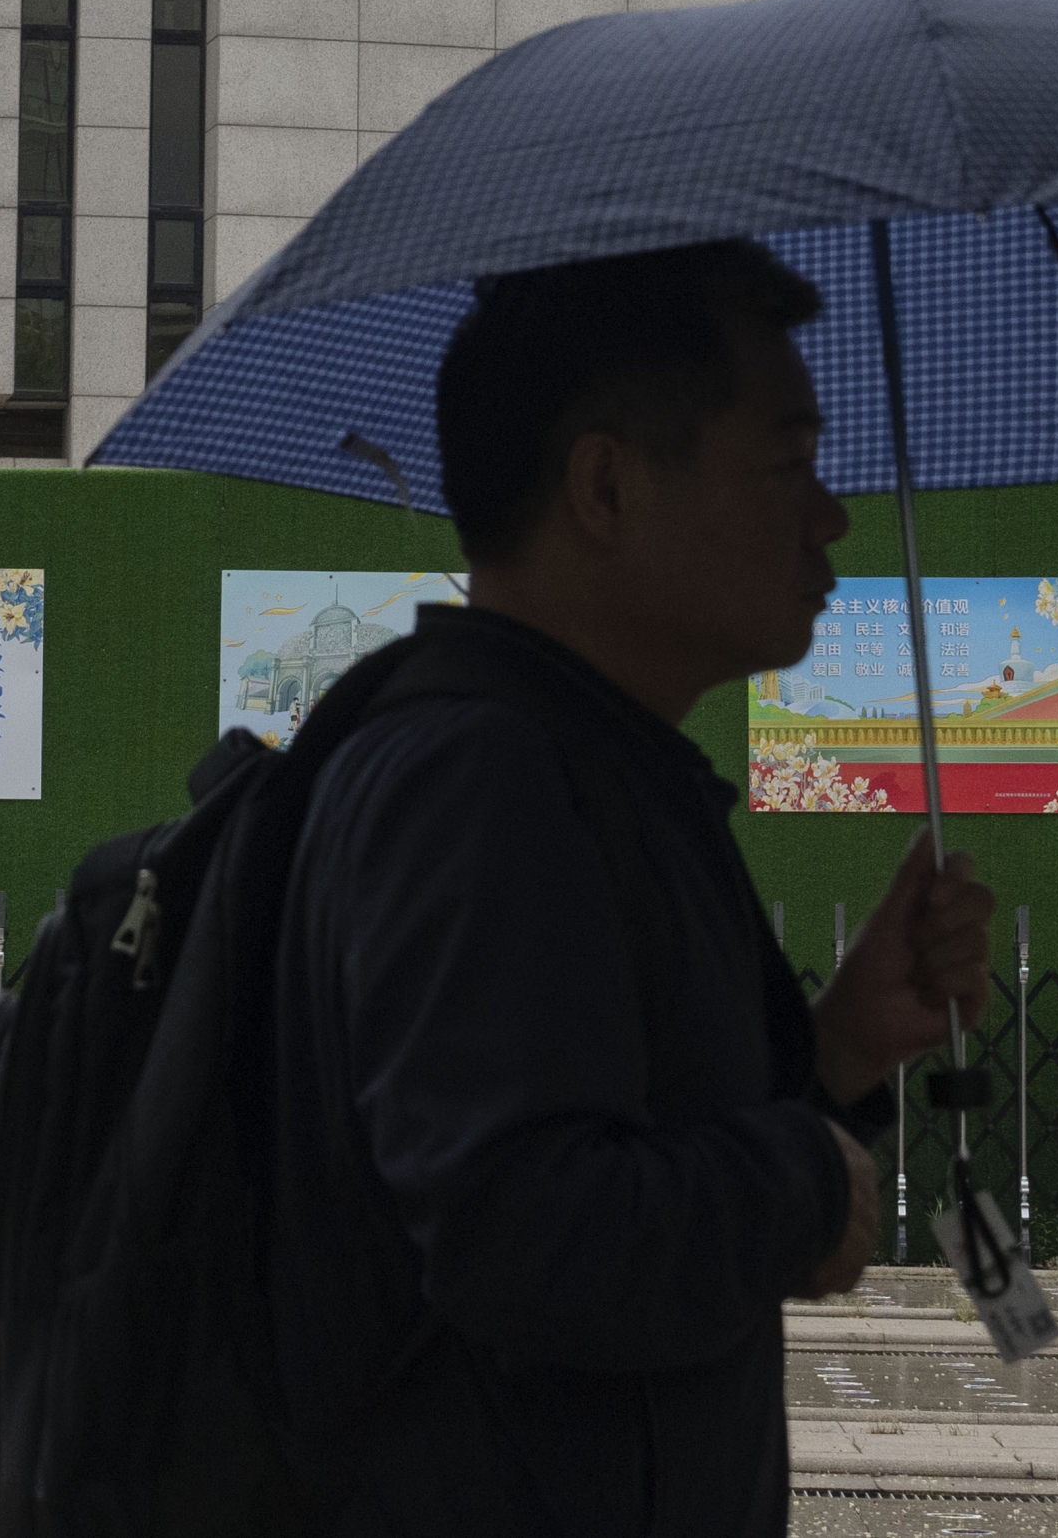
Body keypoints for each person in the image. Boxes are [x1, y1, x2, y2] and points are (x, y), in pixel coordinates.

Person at [266, 239, 996, 1536]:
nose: (828, 515)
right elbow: (522, 1231)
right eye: (787, 462)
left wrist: (834, 1051)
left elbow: (614, 1145)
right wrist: (806, 1185)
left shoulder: (594, 766)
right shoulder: (480, 783)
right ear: (607, 485)